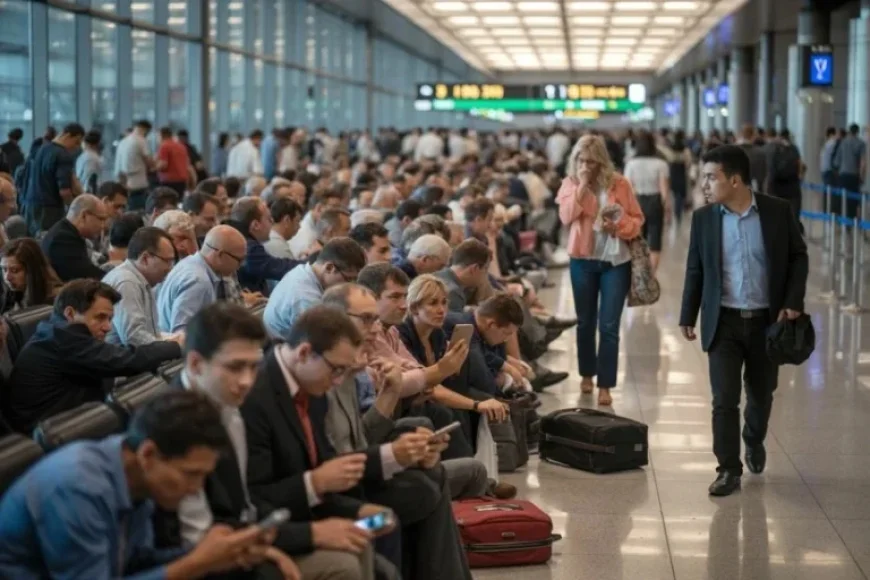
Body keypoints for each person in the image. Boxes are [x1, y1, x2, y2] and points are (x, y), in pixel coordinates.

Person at [0, 390, 279, 579]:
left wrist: (210, 552)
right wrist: (197, 563)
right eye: (191, 474)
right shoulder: (77, 486)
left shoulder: (135, 475)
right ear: (149, 454)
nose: (196, 489)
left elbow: (135, 562)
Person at [679, 145, 808, 497]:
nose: (704, 184)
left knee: (762, 394)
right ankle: (728, 469)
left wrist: (793, 302)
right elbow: (696, 268)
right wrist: (688, 314)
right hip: (724, 321)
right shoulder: (704, 219)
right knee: (724, 399)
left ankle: (753, 438)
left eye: (711, 177)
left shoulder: (777, 211)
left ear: (734, 180)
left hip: (768, 321)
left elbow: (798, 256)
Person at [242, 306, 398, 580]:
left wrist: (358, 510)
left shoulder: (312, 387)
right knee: (348, 563)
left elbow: (323, 468)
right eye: (336, 369)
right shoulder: (254, 397)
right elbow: (254, 498)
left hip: (298, 514)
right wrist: (315, 485)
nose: (338, 380)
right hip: (264, 530)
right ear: (304, 353)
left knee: (378, 529)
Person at [158, 303, 302, 579]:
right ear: (196, 363)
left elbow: (243, 503)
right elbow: (196, 538)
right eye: (236, 367)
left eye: (253, 367)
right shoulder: (173, 426)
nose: (248, 381)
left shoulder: (227, 405)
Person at [556, 134, 643, 407]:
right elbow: (566, 216)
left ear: (601, 162)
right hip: (583, 260)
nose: (586, 166)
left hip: (616, 262)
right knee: (585, 322)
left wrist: (617, 226)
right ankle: (586, 374)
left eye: (591, 162)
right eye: (581, 160)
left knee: (609, 326)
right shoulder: (570, 183)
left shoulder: (619, 183)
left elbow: (637, 220)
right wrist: (582, 186)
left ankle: (605, 383)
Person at [103, 226, 178, 346]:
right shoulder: (127, 282)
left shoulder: (139, 279)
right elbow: (134, 337)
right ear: (145, 259)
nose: (170, 268)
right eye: (167, 261)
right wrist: (173, 346)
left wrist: (177, 339)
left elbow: (150, 334)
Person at [623, 130, 669, 273]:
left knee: (637, 240)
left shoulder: (631, 164)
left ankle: (638, 272)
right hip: (655, 202)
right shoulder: (661, 164)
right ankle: (651, 276)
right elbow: (664, 190)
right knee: (655, 242)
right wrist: (666, 208)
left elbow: (628, 188)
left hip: (636, 202)